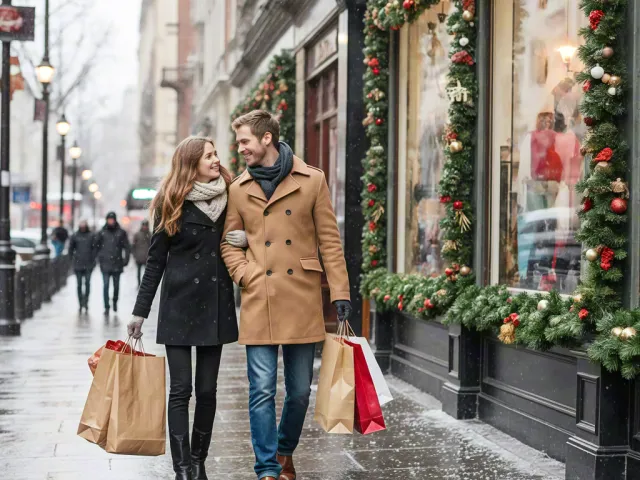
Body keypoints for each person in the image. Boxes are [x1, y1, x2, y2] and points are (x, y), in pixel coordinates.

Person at [221, 110, 352, 480]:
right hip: (259, 296)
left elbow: (329, 240)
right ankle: (266, 469)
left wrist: (340, 290)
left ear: (266, 139)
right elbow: (229, 243)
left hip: (301, 297)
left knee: (298, 393)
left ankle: (283, 451)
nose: (240, 148)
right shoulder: (238, 189)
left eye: (244, 140)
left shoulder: (311, 181)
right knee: (261, 390)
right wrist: (245, 273)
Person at [128, 136, 247, 480]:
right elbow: (155, 262)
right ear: (191, 163)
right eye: (208, 155)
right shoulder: (171, 201)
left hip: (216, 303)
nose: (216, 159)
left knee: (207, 390)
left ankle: (198, 460)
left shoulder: (231, 195)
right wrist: (140, 312)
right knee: (182, 389)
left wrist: (244, 238)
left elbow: (255, 228)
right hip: (179, 305)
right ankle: (181, 469)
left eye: (215, 154)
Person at [94, 211, 131, 315]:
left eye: (112, 219)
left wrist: (126, 260)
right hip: (105, 263)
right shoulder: (101, 232)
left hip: (117, 263)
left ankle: (115, 301)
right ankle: (106, 306)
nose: (110, 221)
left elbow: (127, 247)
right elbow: (96, 246)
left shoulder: (121, 232)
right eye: (109, 219)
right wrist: (98, 258)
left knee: (116, 286)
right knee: (105, 285)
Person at [68, 220, 95, 312]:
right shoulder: (75, 235)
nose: (83, 226)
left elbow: (94, 249)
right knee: (79, 284)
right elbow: (70, 249)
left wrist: (93, 260)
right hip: (78, 264)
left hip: (88, 264)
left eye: (84, 224)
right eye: (81, 224)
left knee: (87, 284)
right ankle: (80, 303)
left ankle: (86, 302)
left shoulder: (91, 235)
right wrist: (71, 260)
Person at [132, 220, 152, 287]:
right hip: (139, 257)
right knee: (139, 272)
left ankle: (145, 285)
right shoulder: (137, 234)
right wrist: (134, 255)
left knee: (146, 273)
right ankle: (139, 284)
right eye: (143, 225)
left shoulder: (150, 235)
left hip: (147, 257)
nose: (144, 227)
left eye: (145, 225)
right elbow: (133, 246)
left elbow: (152, 246)